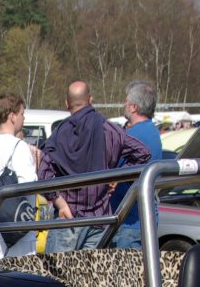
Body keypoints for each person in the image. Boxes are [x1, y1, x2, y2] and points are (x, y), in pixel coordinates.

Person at [38, 80, 151, 251]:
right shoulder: (111, 130)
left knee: (56, 276)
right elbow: (143, 153)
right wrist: (118, 177)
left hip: (68, 217)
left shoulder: (60, 133)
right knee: (91, 276)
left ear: (67, 103)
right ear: (90, 99)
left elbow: (43, 174)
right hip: (100, 218)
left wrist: (59, 203)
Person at [0, 92, 39, 263]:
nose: (23, 118)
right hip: (15, 231)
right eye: (22, 114)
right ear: (12, 116)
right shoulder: (20, 147)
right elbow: (29, 186)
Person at [111, 80, 163, 250]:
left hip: (129, 222)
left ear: (134, 107)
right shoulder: (152, 132)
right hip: (145, 219)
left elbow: (110, 170)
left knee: (123, 274)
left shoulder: (131, 137)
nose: (124, 104)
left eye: (126, 101)